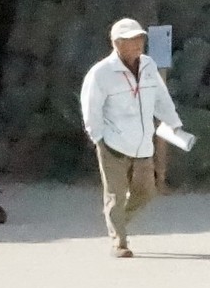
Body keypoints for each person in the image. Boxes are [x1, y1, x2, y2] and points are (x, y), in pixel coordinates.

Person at [79, 17, 188, 259]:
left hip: (142, 143)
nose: (138, 44)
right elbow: (91, 108)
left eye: (140, 39)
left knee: (147, 191)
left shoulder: (148, 65)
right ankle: (119, 241)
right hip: (112, 144)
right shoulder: (101, 73)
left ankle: (116, 220)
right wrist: (98, 138)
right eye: (131, 40)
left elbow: (161, 98)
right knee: (116, 195)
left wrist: (175, 124)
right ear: (117, 43)